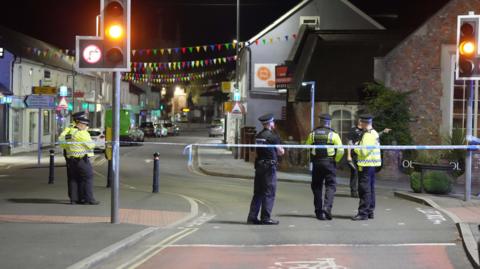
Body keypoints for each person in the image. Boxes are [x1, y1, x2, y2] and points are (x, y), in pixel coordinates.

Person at [247, 114, 284, 225]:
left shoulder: (258, 135)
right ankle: (265, 218)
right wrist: (282, 150)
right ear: (270, 123)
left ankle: (252, 217)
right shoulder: (273, 136)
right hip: (269, 167)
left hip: (259, 166)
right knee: (269, 193)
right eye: (273, 122)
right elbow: (280, 152)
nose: (274, 124)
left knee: (258, 192)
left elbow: (256, 151)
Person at [305, 114, 344, 220]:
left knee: (317, 187)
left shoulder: (313, 134)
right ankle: (327, 208)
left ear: (320, 122)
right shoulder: (333, 134)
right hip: (329, 162)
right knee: (330, 186)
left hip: (316, 163)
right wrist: (336, 160)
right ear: (329, 122)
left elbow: (307, 147)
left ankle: (318, 212)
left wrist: (310, 161)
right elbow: (341, 150)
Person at [347, 119, 391, 198]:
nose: (361, 122)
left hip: (363, 157)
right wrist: (348, 155)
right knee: (354, 174)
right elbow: (349, 143)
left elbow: (375, 137)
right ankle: (353, 191)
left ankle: (360, 192)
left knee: (363, 178)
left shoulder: (367, 132)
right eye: (360, 121)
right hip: (354, 155)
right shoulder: (353, 130)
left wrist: (383, 132)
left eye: (363, 121)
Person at [352, 114, 381, 221]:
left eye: (361, 122)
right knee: (370, 189)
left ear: (364, 123)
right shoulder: (373, 133)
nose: (360, 124)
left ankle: (363, 213)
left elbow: (364, 152)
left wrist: (355, 147)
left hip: (366, 165)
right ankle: (370, 211)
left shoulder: (368, 135)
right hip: (371, 165)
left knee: (364, 189)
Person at [65, 116, 99, 205]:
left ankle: (74, 199)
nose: (86, 126)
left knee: (74, 179)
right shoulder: (82, 133)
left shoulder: (68, 133)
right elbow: (91, 145)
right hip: (82, 160)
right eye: (85, 124)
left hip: (71, 160)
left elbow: (63, 146)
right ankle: (88, 199)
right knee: (88, 178)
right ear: (80, 124)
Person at [58, 111, 86, 204]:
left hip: (82, 156)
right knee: (73, 177)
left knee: (81, 177)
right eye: (83, 118)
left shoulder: (82, 128)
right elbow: (61, 139)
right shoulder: (70, 128)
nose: (84, 120)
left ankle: (80, 197)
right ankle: (74, 198)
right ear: (78, 120)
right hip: (72, 156)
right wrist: (69, 148)